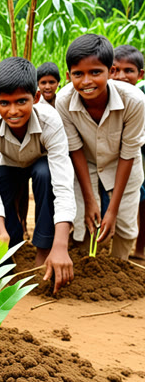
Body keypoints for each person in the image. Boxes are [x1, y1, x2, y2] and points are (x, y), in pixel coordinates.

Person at [0, 57, 75, 294]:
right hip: (8, 165)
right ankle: (9, 247)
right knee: (0, 187)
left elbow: (63, 184)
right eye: (4, 103)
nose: (13, 111)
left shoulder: (50, 120)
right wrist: (0, 231)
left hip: (40, 162)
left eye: (22, 101)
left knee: (45, 174)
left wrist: (60, 245)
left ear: (37, 97)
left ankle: (43, 250)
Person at [56, 34, 145, 260]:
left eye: (95, 72)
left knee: (124, 225)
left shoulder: (134, 101)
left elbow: (129, 154)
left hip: (124, 166)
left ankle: (118, 270)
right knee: (84, 222)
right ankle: (85, 268)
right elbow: (75, 149)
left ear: (111, 72)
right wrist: (89, 199)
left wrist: (112, 210)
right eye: (78, 74)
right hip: (85, 165)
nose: (87, 81)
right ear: (68, 76)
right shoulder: (63, 101)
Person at [109, 45, 145, 259]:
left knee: (140, 196)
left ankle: (139, 249)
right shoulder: (99, 96)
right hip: (109, 158)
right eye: (115, 70)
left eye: (128, 71)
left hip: (136, 154)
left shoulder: (139, 99)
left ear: (140, 75)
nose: (121, 76)